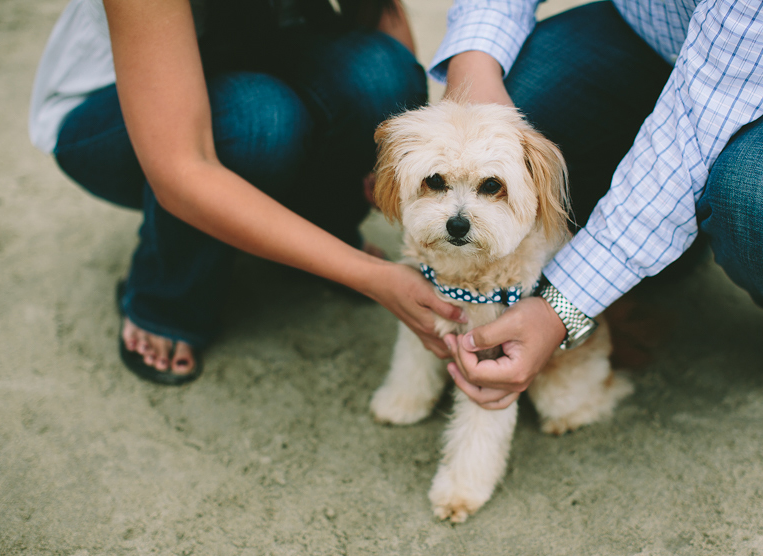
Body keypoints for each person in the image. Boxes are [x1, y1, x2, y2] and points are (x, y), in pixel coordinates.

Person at [432, 0, 763, 457]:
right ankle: (678, 237)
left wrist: (562, 308)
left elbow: (693, 128)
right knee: (507, 134)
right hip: (657, 28)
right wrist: (473, 68)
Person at [29, 0, 464, 385]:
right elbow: (182, 169)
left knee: (381, 76)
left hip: (266, 51)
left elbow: (377, 18)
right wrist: (368, 276)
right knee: (258, 120)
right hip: (117, 111)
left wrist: (392, 161)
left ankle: (319, 236)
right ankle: (167, 298)